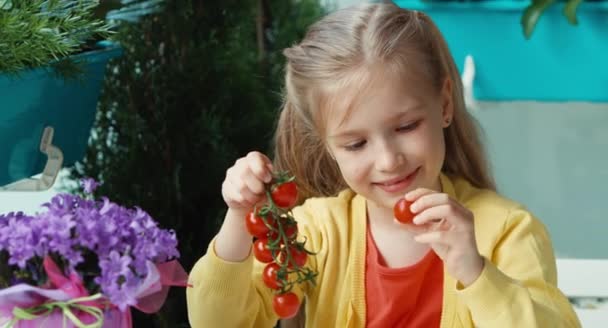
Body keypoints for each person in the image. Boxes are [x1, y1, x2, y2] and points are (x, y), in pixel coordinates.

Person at [186, 3, 581, 327]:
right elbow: (215, 322)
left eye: (407, 126)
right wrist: (239, 216)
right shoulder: (316, 232)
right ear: (326, 145)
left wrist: (478, 273)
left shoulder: (507, 231)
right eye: (356, 143)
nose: (389, 161)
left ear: (444, 104)